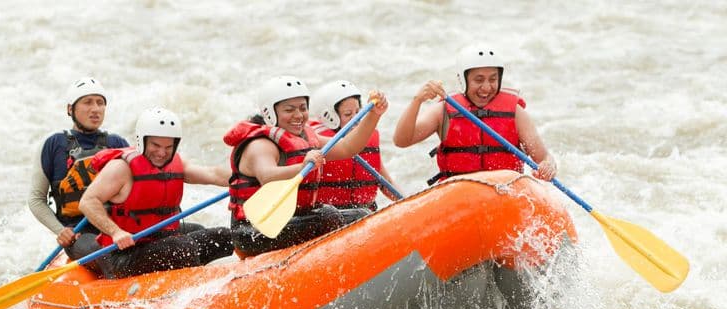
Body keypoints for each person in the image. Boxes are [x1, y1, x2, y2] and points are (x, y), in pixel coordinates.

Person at [224, 75, 388, 257]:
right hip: (254, 229)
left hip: (293, 221)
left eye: (303, 108)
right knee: (326, 216)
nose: (298, 115)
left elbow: (347, 148)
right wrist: (302, 166)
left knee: (361, 214)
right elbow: (267, 176)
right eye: (289, 110)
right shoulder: (260, 145)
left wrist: (374, 115)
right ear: (270, 112)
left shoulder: (306, 138)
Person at [79, 107, 233, 279]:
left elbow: (213, 174)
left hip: (157, 239)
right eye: (155, 145)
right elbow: (88, 201)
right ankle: (194, 286)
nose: (161, 153)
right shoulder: (121, 169)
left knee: (223, 237)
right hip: (123, 254)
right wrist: (116, 232)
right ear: (142, 141)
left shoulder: (176, 163)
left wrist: (246, 176)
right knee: (184, 247)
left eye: (168, 147)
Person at [393, 44, 557, 185]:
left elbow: (543, 158)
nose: (486, 87)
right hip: (458, 194)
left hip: (505, 193)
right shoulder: (444, 111)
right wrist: (417, 100)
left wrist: (548, 166)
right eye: (479, 80)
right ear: (463, 80)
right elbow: (402, 140)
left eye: (492, 79)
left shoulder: (515, 113)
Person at [28, 77, 130, 260]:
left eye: (100, 103)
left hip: (119, 228)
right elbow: (36, 199)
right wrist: (61, 231)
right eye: (87, 102)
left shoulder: (118, 143)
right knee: (106, 252)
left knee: (198, 233)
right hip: (80, 235)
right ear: (70, 109)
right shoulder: (53, 145)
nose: (95, 109)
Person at [309, 79, 400, 220]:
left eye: (358, 111)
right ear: (329, 117)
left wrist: (407, 202)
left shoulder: (367, 138)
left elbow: (385, 182)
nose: (355, 118)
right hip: (330, 219)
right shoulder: (316, 141)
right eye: (348, 114)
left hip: (365, 214)